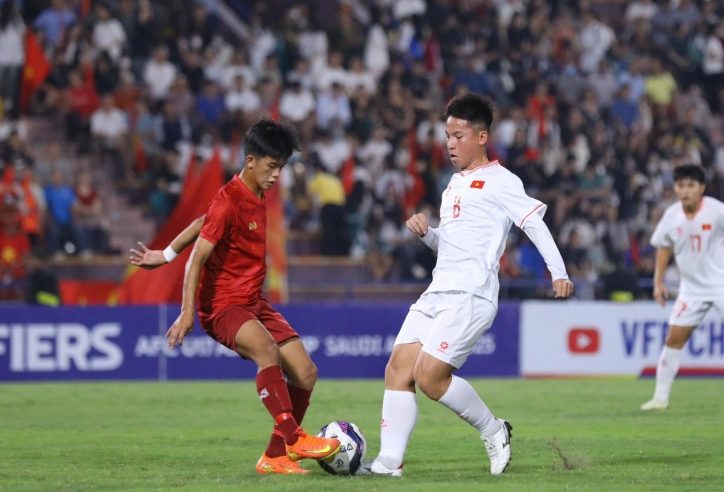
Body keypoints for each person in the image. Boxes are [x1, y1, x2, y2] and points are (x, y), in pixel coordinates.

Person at [357, 94, 574, 477]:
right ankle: (389, 461)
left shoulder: (503, 180)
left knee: (429, 377)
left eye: (458, 135)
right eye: (447, 136)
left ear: (482, 137)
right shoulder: (453, 185)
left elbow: (533, 223)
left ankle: (494, 429)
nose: (450, 143)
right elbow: (450, 244)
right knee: (397, 369)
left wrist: (558, 271)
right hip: (439, 290)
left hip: (472, 294)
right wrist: (427, 235)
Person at [128, 119, 341, 474]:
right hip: (222, 306)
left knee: (305, 372)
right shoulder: (228, 201)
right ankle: (293, 439)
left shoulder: (255, 193)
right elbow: (197, 258)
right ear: (251, 160)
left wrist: (164, 253)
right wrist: (186, 312)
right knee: (267, 352)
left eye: (281, 168)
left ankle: (273, 458)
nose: (276, 176)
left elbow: (201, 221)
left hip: (253, 300)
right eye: (272, 167)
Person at [641, 164, 724, 410]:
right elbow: (664, 246)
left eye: (691, 185)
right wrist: (657, 282)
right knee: (674, 338)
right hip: (691, 289)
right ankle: (660, 399)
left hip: (721, 284)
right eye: (680, 185)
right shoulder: (672, 215)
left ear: (702, 188)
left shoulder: (717, 211)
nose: (685, 191)